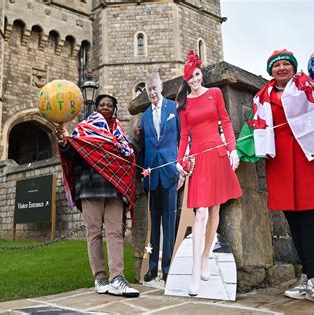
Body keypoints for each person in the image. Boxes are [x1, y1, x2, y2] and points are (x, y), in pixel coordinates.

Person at [237, 49, 314, 308]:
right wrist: (236, 150)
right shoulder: (262, 98)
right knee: (295, 226)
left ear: (293, 68)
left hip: (310, 162)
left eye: (286, 64)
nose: (281, 68)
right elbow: (252, 129)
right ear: (271, 71)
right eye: (276, 65)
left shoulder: (311, 89)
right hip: (281, 167)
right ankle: (306, 278)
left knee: (312, 223)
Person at [56, 94, 140, 298]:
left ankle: (117, 278)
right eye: (101, 104)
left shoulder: (119, 133)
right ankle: (100, 278)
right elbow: (71, 153)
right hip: (90, 186)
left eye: (109, 105)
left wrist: (136, 143)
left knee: (115, 232)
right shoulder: (84, 128)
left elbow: (128, 155)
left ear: (114, 109)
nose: (105, 107)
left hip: (114, 188)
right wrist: (64, 143)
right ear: (96, 107)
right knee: (94, 233)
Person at [175, 50, 242, 296]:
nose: (194, 80)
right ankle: (194, 271)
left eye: (197, 74)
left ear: (201, 74)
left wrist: (233, 150)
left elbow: (225, 122)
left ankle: (205, 256)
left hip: (218, 154)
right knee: (200, 212)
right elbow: (184, 136)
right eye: (190, 77)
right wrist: (179, 160)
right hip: (199, 158)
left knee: (215, 209)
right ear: (185, 80)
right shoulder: (184, 105)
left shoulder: (214, 94)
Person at [137, 72, 181, 283]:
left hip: (171, 172)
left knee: (170, 222)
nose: (152, 93)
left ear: (161, 87)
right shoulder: (144, 116)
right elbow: (144, 146)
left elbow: (182, 138)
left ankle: (168, 266)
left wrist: (180, 167)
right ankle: (153, 267)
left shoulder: (174, 108)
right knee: (153, 224)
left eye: (155, 88)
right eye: (149, 90)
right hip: (152, 175)